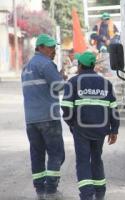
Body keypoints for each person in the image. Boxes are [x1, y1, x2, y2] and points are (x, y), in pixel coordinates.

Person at [60, 51, 120, 200]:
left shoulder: (73, 82)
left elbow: (66, 108)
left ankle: (87, 195)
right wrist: (114, 130)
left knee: (83, 161)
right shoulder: (106, 83)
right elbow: (113, 109)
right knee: (96, 159)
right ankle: (100, 194)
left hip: (81, 129)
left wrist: (72, 124)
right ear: (93, 66)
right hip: (100, 130)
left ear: (80, 65)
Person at [21, 34, 66, 200]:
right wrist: (64, 79)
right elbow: (60, 86)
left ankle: (40, 191)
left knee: (37, 154)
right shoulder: (46, 64)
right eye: (50, 47)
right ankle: (51, 190)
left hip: (31, 120)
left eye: (54, 47)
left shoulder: (26, 67)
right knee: (57, 154)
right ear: (40, 47)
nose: (53, 50)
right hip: (48, 117)